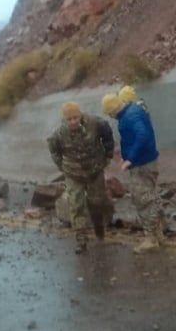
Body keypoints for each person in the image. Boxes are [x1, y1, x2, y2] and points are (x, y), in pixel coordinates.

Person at [102, 91, 166, 253]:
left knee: (143, 200)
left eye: (110, 114)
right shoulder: (134, 110)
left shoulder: (129, 117)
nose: (111, 117)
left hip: (141, 164)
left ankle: (151, 238)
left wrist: (130, 158)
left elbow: (142, 134)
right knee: (150, 196)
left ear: (113, 110)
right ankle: (158, 234)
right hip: (148, 161)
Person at [47, 101, 114, 253]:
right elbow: (53, 150)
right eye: (69, 120)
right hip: (73, 174)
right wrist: (62, 167)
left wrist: (108, 155)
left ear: (80, 115)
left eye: (75, 118)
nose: (73, 122)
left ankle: (99, 232)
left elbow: (108, 136)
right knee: (76, 205)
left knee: (97, 202)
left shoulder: (95, 123)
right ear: (64, 120)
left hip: (95, 171)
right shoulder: (59, 134)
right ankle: (81, 240)